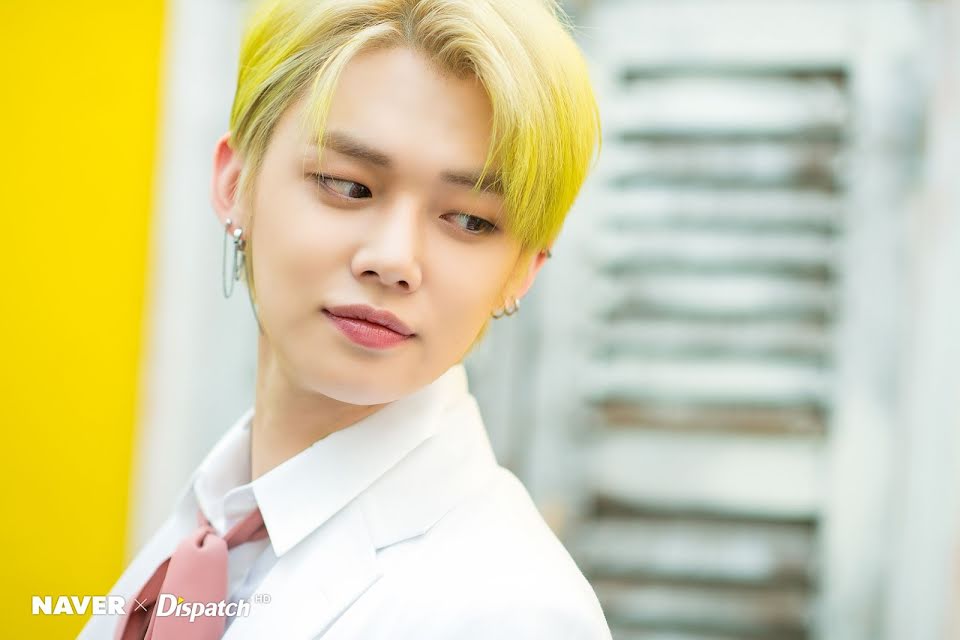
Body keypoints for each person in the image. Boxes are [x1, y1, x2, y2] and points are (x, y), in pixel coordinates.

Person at [79, 0, 606, 637]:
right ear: (235, 184)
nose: (393, 259)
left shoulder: (516, 613)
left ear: (523, 270)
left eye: (470, 220)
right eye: (349, 186)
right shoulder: (207, 522)